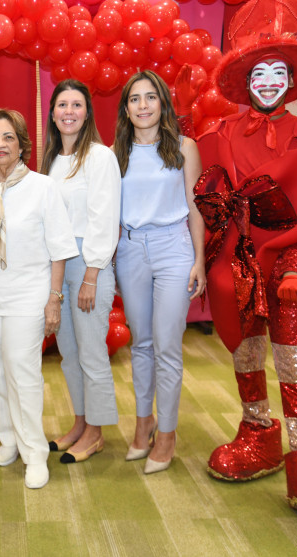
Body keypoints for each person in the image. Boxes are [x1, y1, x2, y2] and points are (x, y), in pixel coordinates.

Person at [187, 0, 297, 513]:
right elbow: (204, 186)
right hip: (237, 263)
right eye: (258, 73)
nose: (267, 82)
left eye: (277, 73)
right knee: (246, 350)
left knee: (294, 352)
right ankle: (257, 430)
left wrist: (293, 269)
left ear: (290, 82)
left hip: (286, 266)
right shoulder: (221, 134)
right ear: (245, 82)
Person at [0, 109, 78, 488]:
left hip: (27, 295)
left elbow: (60, 248)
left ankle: (35, 452)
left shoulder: (42, 187)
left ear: (21, 145)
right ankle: (9, 438)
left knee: (23, 372)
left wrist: (54, 298)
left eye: (8, 137)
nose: (0, 144)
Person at [112, 71, 206, 475]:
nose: (143, 105)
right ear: (126, 109)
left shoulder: (184, 148)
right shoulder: (115, 153)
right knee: (142, 343)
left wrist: (200, 259)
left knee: (167, 345)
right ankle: (143, 422)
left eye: (151, 97)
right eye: (135, 99)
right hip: (130, 249)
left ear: (162, 103)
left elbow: (196, 206)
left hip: (174, 249)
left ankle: (167, 434)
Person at [39, 80, 121, 463]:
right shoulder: (51, 162)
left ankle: (96, 432)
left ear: (87, 113)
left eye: (76, 105)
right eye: (62, 105)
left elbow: (105, 219)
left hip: (90, 264)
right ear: (52, 113)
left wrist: (91, 276)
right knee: (69, 354)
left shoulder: (100, 157)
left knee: (92, 353)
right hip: (58, 266)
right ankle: (80, 422)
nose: (69, 112)